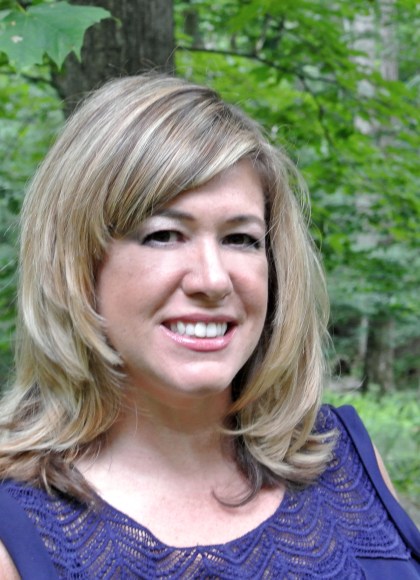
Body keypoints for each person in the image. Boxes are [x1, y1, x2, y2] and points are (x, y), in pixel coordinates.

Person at [0, 74, 418, 579]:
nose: (213, 280)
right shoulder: (17, 529)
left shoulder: (344, 459)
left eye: (240, 239)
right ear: (76, 265)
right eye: (164, 235)